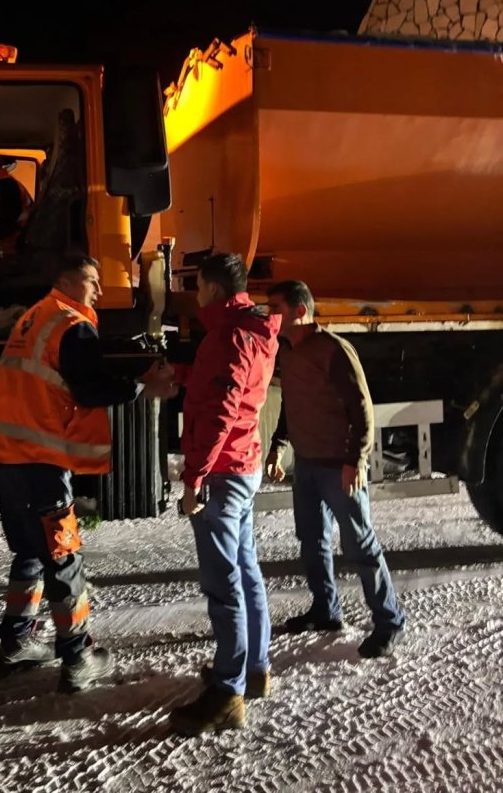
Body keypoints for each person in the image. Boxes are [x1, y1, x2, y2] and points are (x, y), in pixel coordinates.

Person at [0, 251, 176, 693]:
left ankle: (16, 642)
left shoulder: (35, 317)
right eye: (92, 281)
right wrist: (146, 386)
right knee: (62, 554)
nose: (100, 291)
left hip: (3, 452)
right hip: (39, 457)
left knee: (29, 549)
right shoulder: (71, 323)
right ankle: (78, 655)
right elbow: (89, 388)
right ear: (66, 281)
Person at [168, 252, 281, 737]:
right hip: (244, 464)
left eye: (198, 288)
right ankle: (254, 669)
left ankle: (227, 693)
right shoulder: (252, 330)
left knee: (223, 585)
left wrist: (194, 477)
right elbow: (226, 387)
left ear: (212, 288)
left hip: (222, 471)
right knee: (246, 571)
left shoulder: (227, 335)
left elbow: (221, 411)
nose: (195, 297)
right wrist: (179, 376)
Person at [264, 279, 406, 658]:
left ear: (299, 310)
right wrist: (279, 447)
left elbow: (362, 410)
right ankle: (326, 611)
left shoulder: (333, 350)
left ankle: (390, 621)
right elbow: (290, 406)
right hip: (308, 466)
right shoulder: (289, 352)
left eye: (274, 307)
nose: (269, 315)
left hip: (338, 468)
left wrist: (354, 461)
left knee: (360, 544)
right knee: (312, 541)